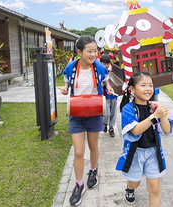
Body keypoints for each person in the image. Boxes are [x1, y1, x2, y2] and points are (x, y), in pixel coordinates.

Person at [60, 36, 114, 206]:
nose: (93, 54)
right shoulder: (71, 67)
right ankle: (79, 184)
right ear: (79, 52)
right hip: (76, 114)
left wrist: (109, 87)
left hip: (94, 112)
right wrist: (65, 89)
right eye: (89, 51)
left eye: (95, 51)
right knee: (78, 152)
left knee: (93, 146)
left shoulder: (98, 66)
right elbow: (68, 86)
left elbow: (105, 82)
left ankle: (93, 171)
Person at [116, 72, 173, 206]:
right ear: (132, 89)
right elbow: (136, 130)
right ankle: (130, 189)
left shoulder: (153, 108)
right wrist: (155, 116)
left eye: (150, 85)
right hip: (135, 153)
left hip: (153, 152)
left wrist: (161, 113)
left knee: (154, 189)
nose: (148, 88)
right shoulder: (128, 109)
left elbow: (166, 130)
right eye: (143, 85)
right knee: (134, 182)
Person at [100, 54, 117, 137]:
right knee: (106, 113)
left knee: (113, 113)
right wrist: (103, 84)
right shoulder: (100, 73)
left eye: (107, 63)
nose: (106, 65)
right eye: (104, 64)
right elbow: (98, 85)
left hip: (114, 96)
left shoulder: (112, 72)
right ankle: (104, 123)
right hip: (105, 97)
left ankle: (111, 128)